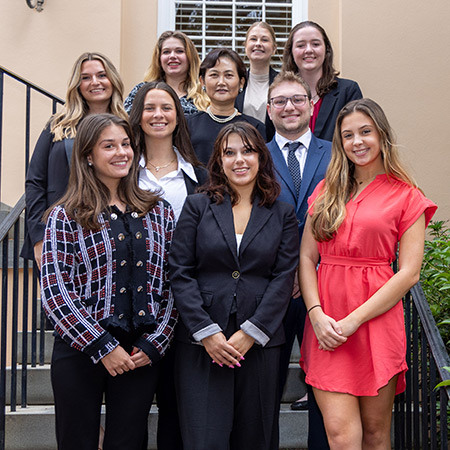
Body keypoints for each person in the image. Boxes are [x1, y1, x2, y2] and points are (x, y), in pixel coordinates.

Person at [299, 98, 437, 449]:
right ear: (340, 143)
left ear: (381, 135)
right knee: (340, 434)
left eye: (365, 132)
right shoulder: (326, 191)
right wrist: (316, 315)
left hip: (375, 323)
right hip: (327, 323)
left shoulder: (407, 196)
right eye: (348, 135)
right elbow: (306, 256)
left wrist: (353, 321)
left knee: (376, 434)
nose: (357, 142)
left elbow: (408, 273)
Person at [40, 113, 177, 450]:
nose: (121, 152)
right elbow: (56, 291)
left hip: (138, 352)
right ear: (88, 155)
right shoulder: (66, 215)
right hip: (79, 349)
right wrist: (101, 346)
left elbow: (174, 284)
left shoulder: (159, 211)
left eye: (126, 144)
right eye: (109, 146)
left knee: (128, 442)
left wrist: (155, 343)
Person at [169, 122, 299, 450]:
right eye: (230, 153)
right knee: (204, 440)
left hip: (259, 344)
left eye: (247, 151)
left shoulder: (282, 213)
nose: (239, 159)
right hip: (202, 344)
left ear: (261, 158)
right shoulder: (198, 206)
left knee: (255, 438)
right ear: (219, 161)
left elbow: (284, 277)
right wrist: (206, 332)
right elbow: (180, 270)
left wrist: (252, 332)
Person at [129, 81, 208, 449]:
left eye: (166, 108)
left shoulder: (199, 176)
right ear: (138, 116)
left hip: (187, 301)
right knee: (130, 412)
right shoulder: (123, 171)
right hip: (136, 302)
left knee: (178, 411)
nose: (158, 115)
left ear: (178, 116)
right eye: (149, 108)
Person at [266, 71, 331, 449]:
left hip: (326, 287)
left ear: (311, 106)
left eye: (297, 99)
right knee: (264, 388)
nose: (289, 107)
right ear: (270, 110)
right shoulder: (254, 154)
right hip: (272, 288)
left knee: (325, 385)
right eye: (280, 101)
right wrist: (286, 270)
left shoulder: (335, 152)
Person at [23, 52, 128, 269]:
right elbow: (35, 181)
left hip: (111, 232)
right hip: (60, 232)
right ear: (77, 85)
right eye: (86, 77)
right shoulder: (58, 125)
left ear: (112, 80)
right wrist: (39, 237)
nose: (95, 82)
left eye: (101, 75)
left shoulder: (128, 125)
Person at [282, 21, 362, 141]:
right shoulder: (279, 95)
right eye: (301, 45)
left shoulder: (348, 91)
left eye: (315, 44)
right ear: (291, 52)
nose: (308, 50)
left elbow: (356, 137)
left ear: (326, 50)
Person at [186, 48, 266, 165]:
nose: (221, 82)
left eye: (228, 75)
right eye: (214, 75)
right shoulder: (188, 125)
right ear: (202, 81)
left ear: (241, 82)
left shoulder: (256, 128)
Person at [124, 31, 208, 115]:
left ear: (190, 57)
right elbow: (125, 122)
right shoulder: (141, 91)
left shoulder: (206, 92)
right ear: (159, 59)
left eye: (179, 51)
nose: (172, 56)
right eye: (166, 52)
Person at [235, 21, 278, 141]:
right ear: (245, 46)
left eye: (264, 40)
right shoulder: (236, 82)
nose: (258, 44)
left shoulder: (282, 82)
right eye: (253, 39)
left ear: (274, 49)